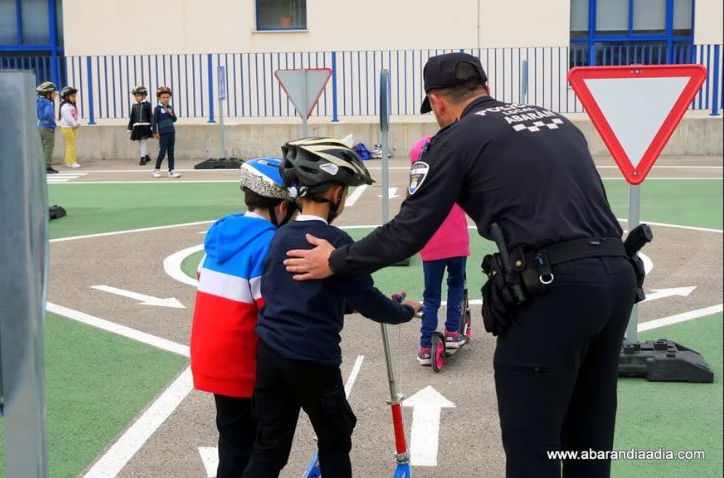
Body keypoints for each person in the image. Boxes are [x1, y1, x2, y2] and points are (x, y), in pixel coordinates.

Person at [283, 53, 637, 478]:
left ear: (437, 103)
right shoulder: (556, 121)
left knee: (534, 446)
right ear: (485, 88)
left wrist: (336, 261)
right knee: (590, 433)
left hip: (553, 290)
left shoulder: (456, 139)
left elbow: (408, 232)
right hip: (617, 277)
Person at [242, 138, 422, 478]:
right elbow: (368, 302)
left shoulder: (278, 236)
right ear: (337, 194)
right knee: (335, 438)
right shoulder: (336, 244)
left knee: (269, 449)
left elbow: (288, 293)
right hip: (312, 359)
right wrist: (405, 311)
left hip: (269, 354)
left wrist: (345, 306)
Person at [190, 157, 297, 478]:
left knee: (233, 443)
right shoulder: (268, 245)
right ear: (280, 207)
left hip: (213, 358)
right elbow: (273, 309)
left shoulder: (222, 234)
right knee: (260, 450)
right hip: (243, 363)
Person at [408, 135, 471, 365]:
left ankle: (426, 346)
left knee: (431, 295)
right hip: (457, 243)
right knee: (456, 284)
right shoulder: (456, 179)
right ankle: (453, 332)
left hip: (432, 245)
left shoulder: (417, 189)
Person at [151, 85, 180, 178]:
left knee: (171, 153)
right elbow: (154, 121)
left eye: (168, 97)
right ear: (159, 98)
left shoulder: (170, 107)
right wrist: (155, 132)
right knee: (162, 152)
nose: (166, 99)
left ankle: (171, 171)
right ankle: (156, 169)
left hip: (172, 132)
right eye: (163, 97)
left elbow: (175, 119)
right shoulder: (157, 109)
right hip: (163, 134)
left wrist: (171, 114)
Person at [36, 81, 59, 174]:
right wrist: (52, 122)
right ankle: (47, 167)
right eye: (53, 93)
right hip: (48, 128)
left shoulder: (39, 102)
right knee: (48, 148)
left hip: (41, 126)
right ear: (47, 94)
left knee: (42, 148)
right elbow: (48, 114)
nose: (55, 95)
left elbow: (39, 114)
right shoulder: (48, 103)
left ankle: (40, 166)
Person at [127, 85, 153, 166]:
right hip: (137, 126)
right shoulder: (134, 105)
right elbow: (132, 117)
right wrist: (130, 127)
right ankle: (146, 156)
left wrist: (152, 126)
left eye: (138, 95)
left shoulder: (147, 104)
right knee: (140, 142)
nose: (136, 97)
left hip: (145, 126)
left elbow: (150, 116)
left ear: (144, 95)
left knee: (143, 142)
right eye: (135, 95)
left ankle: (143, 158)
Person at [59, 85, 81, 168]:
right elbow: (69, 118)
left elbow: (78, 115)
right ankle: (71, 162)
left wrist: (77, 123)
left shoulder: (72, 106)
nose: (74, 98)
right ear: (66, 97)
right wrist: (75, 124)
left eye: (74, 96)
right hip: (67, 128)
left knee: (71, 144)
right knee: (71, 145)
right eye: (72, 96)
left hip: (72, 127)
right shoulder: (65, 107)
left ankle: (69, 161)